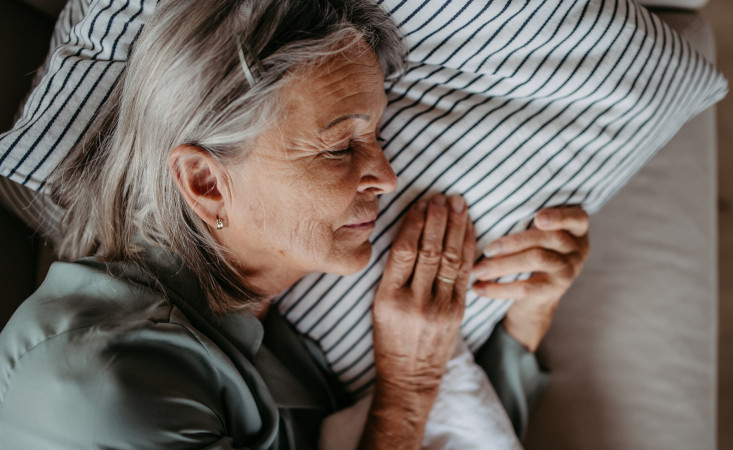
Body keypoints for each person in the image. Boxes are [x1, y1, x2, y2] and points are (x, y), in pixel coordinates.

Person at [0, 0, 589, 448]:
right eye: (339, 147)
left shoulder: (266, 329)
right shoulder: (100, 386)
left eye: (377, 137)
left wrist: (525, 322)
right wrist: (406, 393)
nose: (385, 175)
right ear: (206, 183)